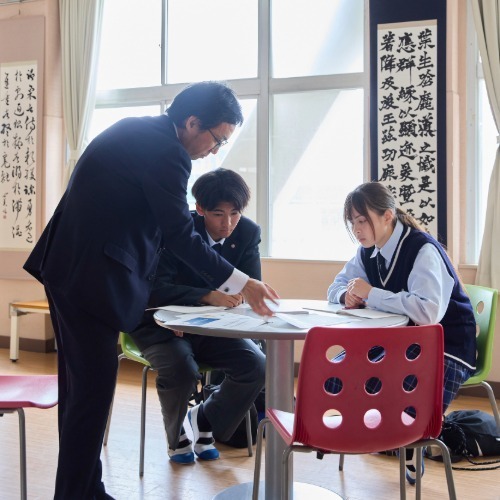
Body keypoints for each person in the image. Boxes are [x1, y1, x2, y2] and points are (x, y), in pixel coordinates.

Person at [23, 81, 278, 499]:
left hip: (74, 269)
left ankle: (84, 490)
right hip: (91, 279)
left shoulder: (137, 130)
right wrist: (241, 282)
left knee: (82, 394)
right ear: (192, 122)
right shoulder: (167, 152)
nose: (215, 151)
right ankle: (77, 493)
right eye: (217, 139)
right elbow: (180, 234)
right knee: (89, 396)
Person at [326, 181, 476, 485]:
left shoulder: (422, 249)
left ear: (387, 216)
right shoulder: (367, 252)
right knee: (334, 375)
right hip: (401, 342)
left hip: (447, 345)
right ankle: (382, 434)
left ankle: (406, 441)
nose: (357, 229)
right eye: (353, 222)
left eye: (363, 220)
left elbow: (428, 312)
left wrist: (371, 294)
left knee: (405, 406)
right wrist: (346, 295)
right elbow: (335, 287)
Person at [129, 167, 265, 464]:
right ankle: (177, 433)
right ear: (200, 208)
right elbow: (153, 288)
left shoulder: (247, 233)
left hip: (213, 325)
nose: (228, 223)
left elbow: (248, 287)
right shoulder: (177, 230)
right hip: (159, 323)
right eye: (218, 214)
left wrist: (221, 303)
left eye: (235, 213)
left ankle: (204, 417)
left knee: (256, 365)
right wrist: (204, 296)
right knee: (181, 368)